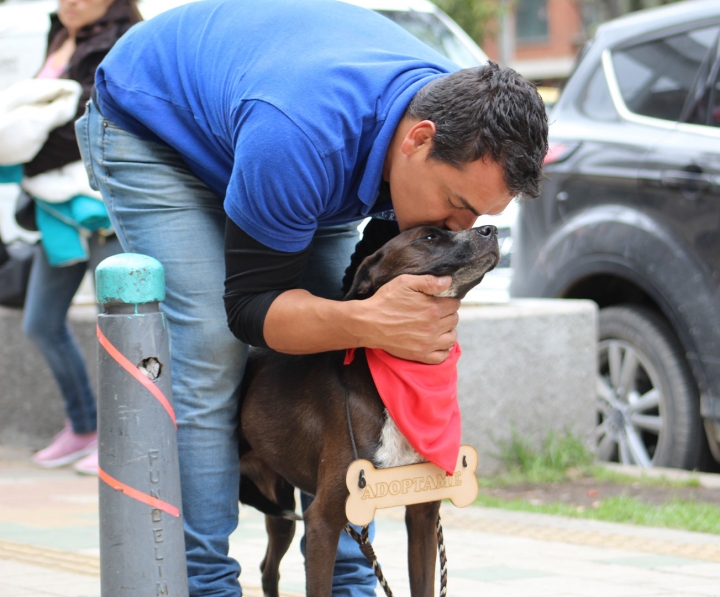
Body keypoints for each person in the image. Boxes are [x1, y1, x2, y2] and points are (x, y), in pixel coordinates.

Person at [76, 0, 548, 594]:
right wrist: (371, 321)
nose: (457, 228)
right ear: (417, 140)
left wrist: (371, 320)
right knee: (210, 351)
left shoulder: (449, 110)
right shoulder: (302, 136)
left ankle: (348, 578)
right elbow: (249, 310)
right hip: (156, 129)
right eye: (454, 205)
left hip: (285, 141)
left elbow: (357, 295)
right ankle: (206, 582)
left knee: (334, 338)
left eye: (478, 214)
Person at [19, 0, 142, 474]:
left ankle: (120, 437)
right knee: (40, 322)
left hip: (102, 206)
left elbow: (87, 127)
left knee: (119, 326)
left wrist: (22, 153)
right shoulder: (58, 36)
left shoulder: (119, 42)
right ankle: (84, 426)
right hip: (56, 210)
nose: (70, 1)